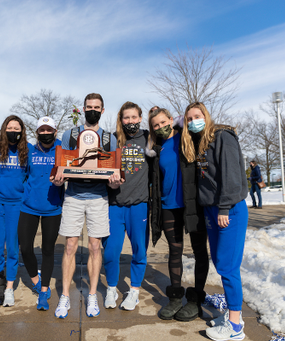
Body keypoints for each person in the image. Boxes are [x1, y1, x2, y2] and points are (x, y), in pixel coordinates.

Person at [181, 102, 248, 341]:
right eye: (188, 119)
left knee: (229, 268)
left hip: (227, 209)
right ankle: (231, 315)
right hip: (211, 210)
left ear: (206, 116)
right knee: (221, 264)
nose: (192, 121)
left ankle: (236, 327)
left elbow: (231, 175)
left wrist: (224, 207)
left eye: (197, 116)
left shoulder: (222, 136)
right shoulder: (199, 143)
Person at [52, 93, 121, 319]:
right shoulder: (70, 134)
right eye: (89, 106)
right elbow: (60, 167)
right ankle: (64, 296)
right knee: (70, 246)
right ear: (83, 109)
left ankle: (92, 294)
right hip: (73, 195)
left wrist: (115, 182)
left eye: (97, 107)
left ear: (102, 110)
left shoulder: (110, 138)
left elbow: (114, 172)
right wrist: (58, 179)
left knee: (94, 247)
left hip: (98, 197)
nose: (92, 110)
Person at [147, 108, 209, 322]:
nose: (159, 127)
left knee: (199, 251)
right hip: (168, 206)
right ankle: (175, 297)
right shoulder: (157, 148)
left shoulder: (187, 137)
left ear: (172, 120)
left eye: (163, 122)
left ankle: (196, 300)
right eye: (155, 125)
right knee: (175, 251)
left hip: (192, 205)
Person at [102, 101, 150, 311]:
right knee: (111, 252)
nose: (130, 121)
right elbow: (102, 167)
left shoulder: (149, 138)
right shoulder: (113, 140)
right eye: (126, 118)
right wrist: (108, 182)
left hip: (139, 204)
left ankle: (134, 291)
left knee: (139, 250)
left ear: (140, 118)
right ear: (120, 120)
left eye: (133, 117)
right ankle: (111, 288)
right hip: (115, 204)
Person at [18, 116, 63, 311]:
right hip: (29, 206)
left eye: (49, 130)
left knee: (47, 249)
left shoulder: (62, 149)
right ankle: (36, 280)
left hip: (53, 207)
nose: (45, 133)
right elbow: (23, 173)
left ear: (55, 131)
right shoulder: (29, 150)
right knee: (25, 248)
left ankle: (43, 291)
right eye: (42, 130)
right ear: (37, 132)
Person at [0, 115, 28, 307]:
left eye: (16, 128)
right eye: (9, 127)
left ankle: (9, 286)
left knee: (12, 246)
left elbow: (50, 153)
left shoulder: (29, 150)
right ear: (3, 129)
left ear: (22, 131)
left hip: (17, 204)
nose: (13, 131)